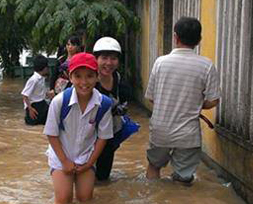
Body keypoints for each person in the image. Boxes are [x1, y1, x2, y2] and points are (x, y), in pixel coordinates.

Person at [145, 17, 220, 185]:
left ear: (175, 37)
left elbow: (151, 97)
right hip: (188, 134)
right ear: (199, 40)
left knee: (154, 166)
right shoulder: (207, 65)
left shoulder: (160, 62)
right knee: (183, 179)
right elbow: (213, 101)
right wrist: (195, 105)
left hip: (160, 130)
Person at [44, 52, 113, 204]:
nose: (84, 82)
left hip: (86, 157)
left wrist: (89, 163)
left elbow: (103, 137)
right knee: (63, 201)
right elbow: (51, 134)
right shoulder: (59, 101)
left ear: (97, 77)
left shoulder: (104, 104)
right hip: (61, 156)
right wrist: (64, 161)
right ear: (70, 77)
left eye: (89, 76)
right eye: (78, 76)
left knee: (85, 200)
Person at [93, 37, 131, 181]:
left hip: (110, 135)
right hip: (88, 137)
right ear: (96, 59)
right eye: (104, 58)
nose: (109, 63)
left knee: (103, 178)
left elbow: (125, 101)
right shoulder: (87, 80)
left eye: (113, 58)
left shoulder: (119, 79)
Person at [21, 55, 50, 126]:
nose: (48, 69)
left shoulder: (42, 78)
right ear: (44, 68)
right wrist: (30, 109)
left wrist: (49, 94)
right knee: (32, 125)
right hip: (34, 106)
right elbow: (25, 95)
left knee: (47, 123)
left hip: (42, 103)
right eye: (47, 67)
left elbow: (40, 92)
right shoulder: (33, 80)